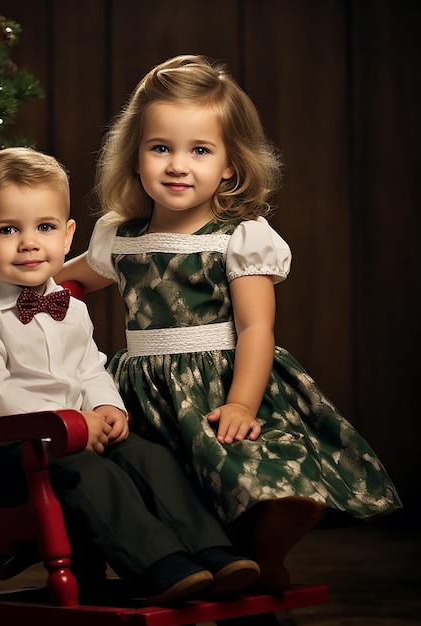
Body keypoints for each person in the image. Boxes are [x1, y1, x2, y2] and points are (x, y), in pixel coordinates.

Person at [54, 54, 402, 592]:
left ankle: (266, 545)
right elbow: (63, 280)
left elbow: (257, 328)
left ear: (229, 165)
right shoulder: (119, 235)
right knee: (157, 481)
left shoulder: (237, 237)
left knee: (248, 463)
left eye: (199, 150)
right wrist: (17, 287)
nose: (177, 165)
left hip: (220, 378)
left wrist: (241, 401)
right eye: (160, 148)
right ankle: (192, 561)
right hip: (142, 390)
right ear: (136, 157)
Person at [0, 146, 261, 605]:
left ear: (68, 237)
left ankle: (212, 552)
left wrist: (107, 407)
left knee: (150, 456)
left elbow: (91, 368)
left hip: (77, 435)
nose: (30, 242)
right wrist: (65, 424)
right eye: (8, 230)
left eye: (45, 227)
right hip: (10, 454)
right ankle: (157, 567)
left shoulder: (71, 308)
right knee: (88, 473)